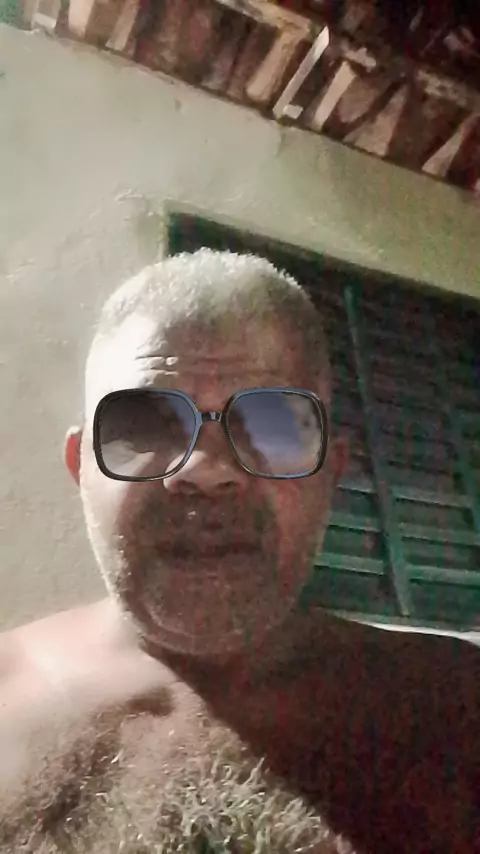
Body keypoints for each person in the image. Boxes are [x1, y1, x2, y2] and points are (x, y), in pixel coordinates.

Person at [0, 250, 478, 854]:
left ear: (332, 473)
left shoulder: (456, 706)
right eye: (144, 426)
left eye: (272, 425)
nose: (206, 471)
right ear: (81, 465)